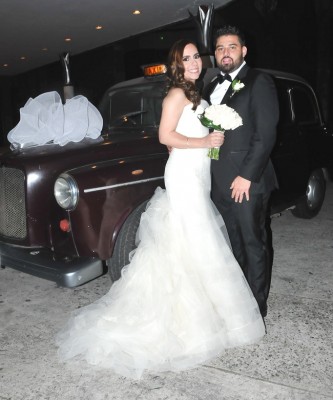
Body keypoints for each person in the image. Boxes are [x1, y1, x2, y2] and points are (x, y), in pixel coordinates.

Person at [56, 39, 265, 380]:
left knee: (192, 239)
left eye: (197, 55)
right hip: (185, 175)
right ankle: (204, 320)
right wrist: (203, 142)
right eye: (186, 58)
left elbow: (182, 136)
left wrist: (204, 144)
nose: (194, 62)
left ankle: (210, 310)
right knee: (196, 238)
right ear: (176, 66)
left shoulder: (197, 93)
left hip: (196, 172)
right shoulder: (176, 95)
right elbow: (165, 136)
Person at [203, 26, 279, 319]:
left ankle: (256, 308)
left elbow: (265, 134)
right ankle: (238, 300)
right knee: (232, 244)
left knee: (253, 242)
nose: (225, 53)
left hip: (247, 181)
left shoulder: (259, 81)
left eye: (231, 47)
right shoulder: (211, 86)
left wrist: (247, 175)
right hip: (219, 181)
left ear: (243, 51)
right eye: (220, 48)